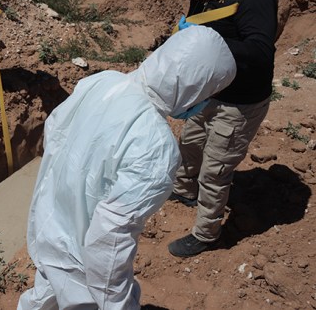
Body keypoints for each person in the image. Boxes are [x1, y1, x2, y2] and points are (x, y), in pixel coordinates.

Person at [18, 26, 237, 310]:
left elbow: (55, 134)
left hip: (51, 225)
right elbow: (109, 239)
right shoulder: (156, 146)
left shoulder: (103, 81)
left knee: (45, 294)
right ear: (194, 90)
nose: (206, 103)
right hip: (84, 270)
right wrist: (119, 305)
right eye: (209, 94)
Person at [163, 0, 278, 257]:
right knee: (190, 143)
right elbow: (199, 24)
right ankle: (184, 190)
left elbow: (259, 52)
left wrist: (208, 42)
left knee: (215, 170)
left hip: (242, 101)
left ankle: (206, 233)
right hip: (213, 90)